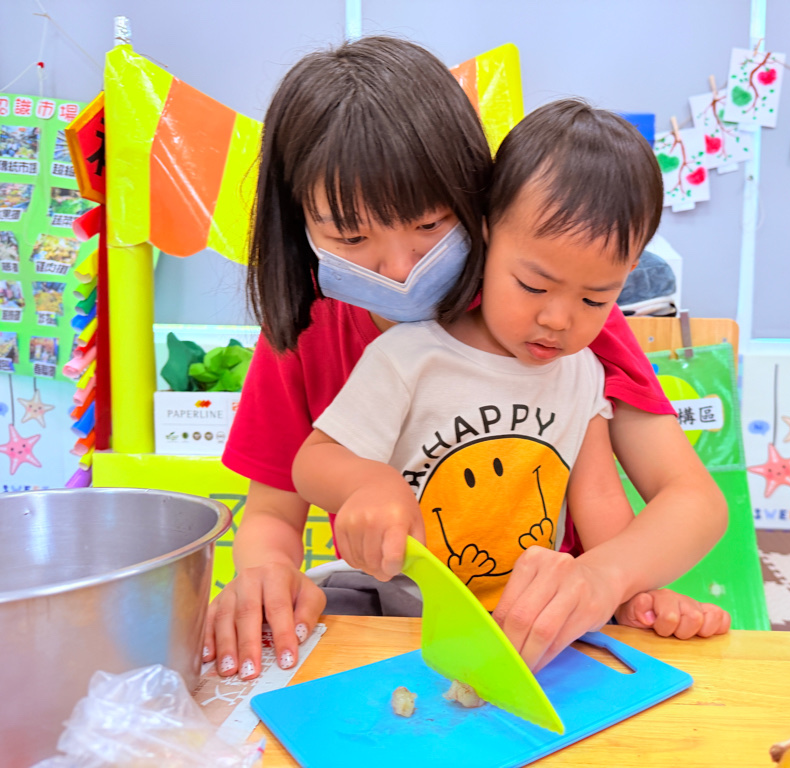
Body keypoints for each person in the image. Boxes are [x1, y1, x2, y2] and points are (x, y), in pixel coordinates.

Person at [209, 36, 728, 680]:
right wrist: (267, 575)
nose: (399, 267)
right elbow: (273, 511)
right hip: (400, 626)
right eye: (350, 236)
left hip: (545, 638)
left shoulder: (559, 316)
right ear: (299, 225)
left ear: (478, 201)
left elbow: (686, 497)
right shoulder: (306, 331)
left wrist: (613, 578)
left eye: (429, 224)